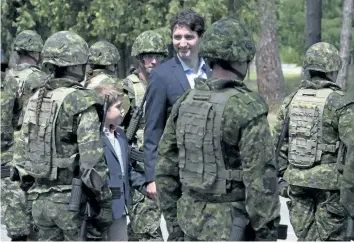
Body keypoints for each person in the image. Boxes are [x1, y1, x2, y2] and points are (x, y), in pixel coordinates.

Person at [155, 18, 280, 241]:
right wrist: (266, 235)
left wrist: (174, 227)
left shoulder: (184, 102)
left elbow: (165, 169)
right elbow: (261, 181)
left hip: (189, 224)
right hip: (232, 228)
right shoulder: (247, 107)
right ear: (241, 58)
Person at [11, 31, 112, 241]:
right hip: (71, 203)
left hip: (39, 202)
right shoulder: (80, 101)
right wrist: (104, 204)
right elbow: (92, 164)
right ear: (75, 65)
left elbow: (21, 158)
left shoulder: (36, 98)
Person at [275, 42, 352, 241]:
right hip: (330, 188)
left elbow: (278, 144)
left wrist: (282, 179)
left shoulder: (291, 100)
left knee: (306, 239)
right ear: (334, 69)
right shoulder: (340, 103)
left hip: (297, 183)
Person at [144, 9, 211, 199]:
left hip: (214, 171)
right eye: (177, 37)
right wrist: (151, 177)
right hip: (178, 172)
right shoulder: (161, 76)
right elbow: (153, 129)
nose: (182, 43)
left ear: (200, 37)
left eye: (189, 37)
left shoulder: (214, 70)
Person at [1, 29, 46, 241]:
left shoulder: (7, 78)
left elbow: (3, 124)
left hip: (10, 155)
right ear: (37, 52)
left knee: (17, 225)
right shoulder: (42, 79)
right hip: (38, 154)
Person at [123, 30, 167, 241]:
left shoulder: (168, 83)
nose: (154, 61)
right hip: (139, 170)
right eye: (148, 56)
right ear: (140, 58)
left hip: (165, 166)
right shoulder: (129, 88)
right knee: (147, 229)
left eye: (158, 56)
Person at [93, 84, 147, 241]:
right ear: (104, 109)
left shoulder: (120, 135)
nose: (123, 111)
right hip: (100, 211)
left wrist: (146, 185)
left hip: (120, 209)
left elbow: (127, 170)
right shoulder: (93, 138)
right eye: (118, 107)